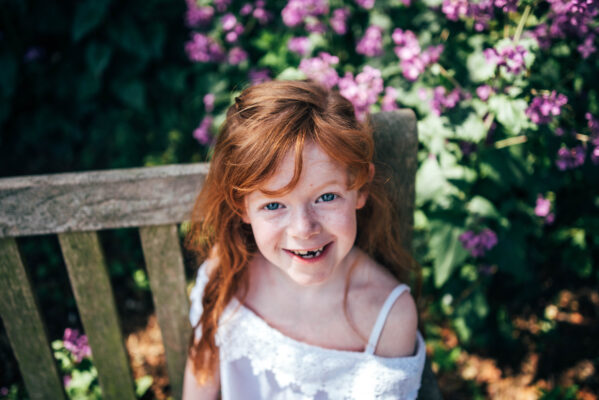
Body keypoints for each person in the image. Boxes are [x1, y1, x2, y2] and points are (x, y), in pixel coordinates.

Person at [182, 80, 425, 399]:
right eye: (273, 205)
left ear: (360, 187)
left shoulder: (387, 317)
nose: (303, 228)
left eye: (326, 197)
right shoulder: (227, 273)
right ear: (242, 206)